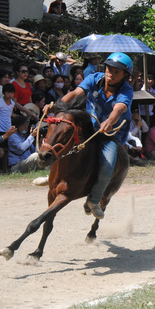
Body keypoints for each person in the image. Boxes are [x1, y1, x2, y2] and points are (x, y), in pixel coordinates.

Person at [58, 52, 134, 219]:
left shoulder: (126, 91)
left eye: (116, 72)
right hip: (90, 126)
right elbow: (76, 93)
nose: (110, 74)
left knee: (107, 166)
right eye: (109, 69)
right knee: (61, 139)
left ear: (125, 76)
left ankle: (93, 199)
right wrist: (59, 105)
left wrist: (109, 122)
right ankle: (54, 176)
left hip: (112, 133)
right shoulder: (94, 78)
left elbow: (118, 109)